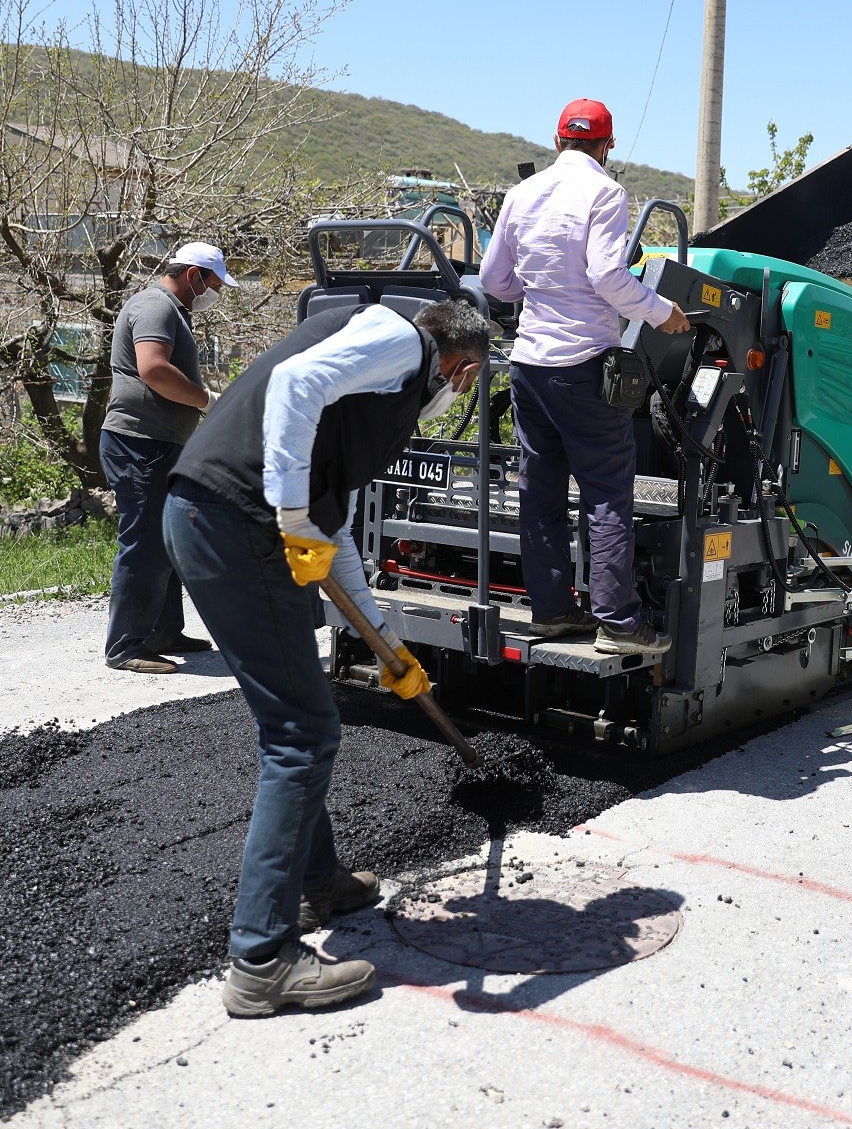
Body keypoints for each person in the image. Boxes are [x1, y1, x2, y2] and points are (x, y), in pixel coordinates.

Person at [163, 295, 492, 1017]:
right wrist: (285, 510)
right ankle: (261, 961)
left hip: (209, 516)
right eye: (464, 385)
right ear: (461, 370)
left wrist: (388, 643)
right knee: (303, 735)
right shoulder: (399, 341)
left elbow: (330, 528)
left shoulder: (372, 375)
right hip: (240, 522)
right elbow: (293, 387)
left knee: (291, 720)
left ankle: (320, 883)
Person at [478, 98, 691, 654]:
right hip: (582, 366)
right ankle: (619, 623)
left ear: (557, 142)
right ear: (606, 146)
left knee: (539, 491)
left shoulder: (520, 195)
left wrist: (541, 291)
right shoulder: (605, 192)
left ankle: (551, 611)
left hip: (528, 364)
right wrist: (659, 310)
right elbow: (606, 274)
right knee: (605, 494)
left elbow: (494, 280)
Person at [98, 241, 235, 673]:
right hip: (140, 443)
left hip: (159, 443)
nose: (216, 292)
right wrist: (208, 401)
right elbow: (153, 369)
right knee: (143, 543)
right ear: (194, 275)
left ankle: (162, 632)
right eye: (214, 283)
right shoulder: (156, 307)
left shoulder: (173, 311)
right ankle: (125, 646)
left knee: (166, 540)